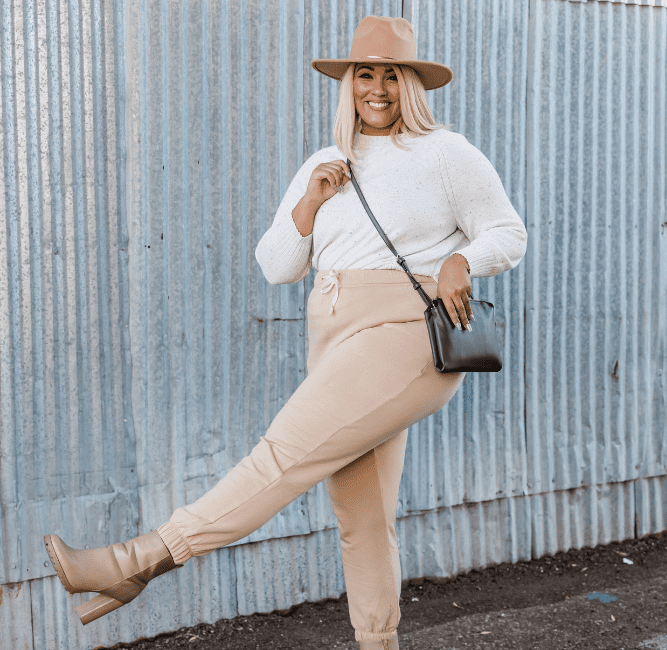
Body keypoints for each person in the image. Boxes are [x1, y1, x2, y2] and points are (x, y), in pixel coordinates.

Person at [43, 15, 527, 650]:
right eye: (363, 74)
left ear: (412, 84)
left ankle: (137, 560)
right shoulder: (326, 161)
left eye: (391, 74)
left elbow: (508, 232)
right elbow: (277, 266)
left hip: (406, 333)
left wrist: (462, 260)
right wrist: (310, 204)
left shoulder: (446, 153)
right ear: (348, 82)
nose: (375, 88)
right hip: (333, 332)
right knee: (363, 518)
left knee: (280, 456)